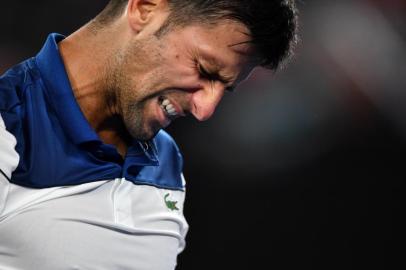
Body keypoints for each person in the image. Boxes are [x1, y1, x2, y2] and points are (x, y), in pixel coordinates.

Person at [0, 0, 298, 269]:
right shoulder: (8, 124)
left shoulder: (168, 165)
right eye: (205, 70)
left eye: (225, 90)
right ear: (145, 9)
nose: (204, 110)